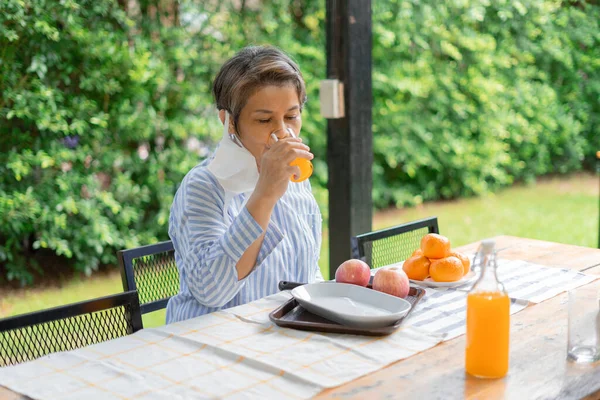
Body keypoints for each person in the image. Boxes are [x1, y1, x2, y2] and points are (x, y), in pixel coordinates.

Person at [166, 46, 323, 323]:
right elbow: (210, 291)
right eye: (264, 120)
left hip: (278, 338)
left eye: (291, 116)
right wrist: (264, 196)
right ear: (229, 122)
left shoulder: (296, 180)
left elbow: (308, 274)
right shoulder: (203, 186)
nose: (283, 133)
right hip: (208, 343)